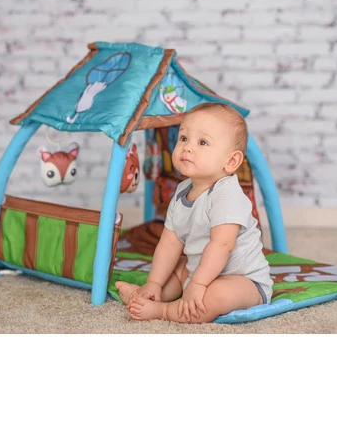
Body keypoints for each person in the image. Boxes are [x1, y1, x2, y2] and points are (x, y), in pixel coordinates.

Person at [116, 102, 272, 323]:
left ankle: (162, 311)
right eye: (183, 138)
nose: (187, 147)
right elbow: (169, 243)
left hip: (242, 280)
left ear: (231, 161)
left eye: (202, 142)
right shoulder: (182, 191)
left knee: (216, 295)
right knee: (177, 271)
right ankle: (146, 295)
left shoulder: (227, 195)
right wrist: (154, 282)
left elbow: (222, 245)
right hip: (198, 270)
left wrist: (198, 284)